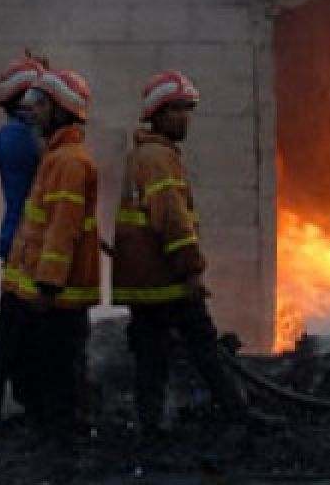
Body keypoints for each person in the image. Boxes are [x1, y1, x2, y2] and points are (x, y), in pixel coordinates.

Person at [111, 70, 279, 443]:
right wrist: (191, 270)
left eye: (187, 109)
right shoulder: (158, 159)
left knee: (151, 353)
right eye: (179, 110)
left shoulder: (147, 154)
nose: (185, 117)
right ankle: (237, 414)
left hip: (147, 280)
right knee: (202, 344)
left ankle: (150, 426)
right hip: (165, 279)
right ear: (159, 113)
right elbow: (171, 219)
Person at [1, 69, 101, 437]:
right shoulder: (58, 156)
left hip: (62, 293)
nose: (34, 114)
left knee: (62, 364)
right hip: (53, 290)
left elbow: (61, 228)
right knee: (47, 360)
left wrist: (48, 283)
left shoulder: (69, 162)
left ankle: (66, 432)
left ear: (62, 109)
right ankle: (52, 424)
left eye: (41, 106)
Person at [0, 54, 46, 439]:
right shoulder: (19, 140)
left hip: (18, 241)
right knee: (12, 331)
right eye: (38, 98)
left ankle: (22, 402)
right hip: (24, 245)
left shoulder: (13, 136)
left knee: (21, 332)